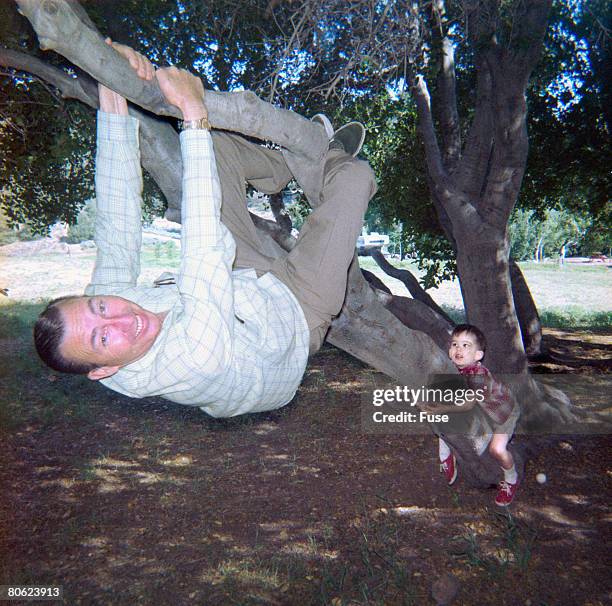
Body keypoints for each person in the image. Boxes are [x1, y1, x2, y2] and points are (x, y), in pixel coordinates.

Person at [34, 41, 376, 418]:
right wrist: (192, 113)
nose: (117, 318)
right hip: (294, 317)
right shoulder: (191, 365)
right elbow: (202, 254)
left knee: (214, 147)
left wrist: (112, 88)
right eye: (102, 338)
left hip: (237, 279)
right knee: (355, 178)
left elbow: (117, 223)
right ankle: (331, 160)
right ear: (104, 371)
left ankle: (289, 165)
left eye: (99, 306)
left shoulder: (101, 307)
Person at [423, 324, 520, 506]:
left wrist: (442, 409)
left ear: (478, 355)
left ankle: (511, 478)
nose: (458, 349)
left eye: (466, 345)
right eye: (454, 344)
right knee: (448, 416)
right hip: (483, 408)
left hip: (504, 412)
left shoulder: (478, 375)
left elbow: (467, 404)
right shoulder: (454, 367)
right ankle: (446, 453)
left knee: (497, 449)